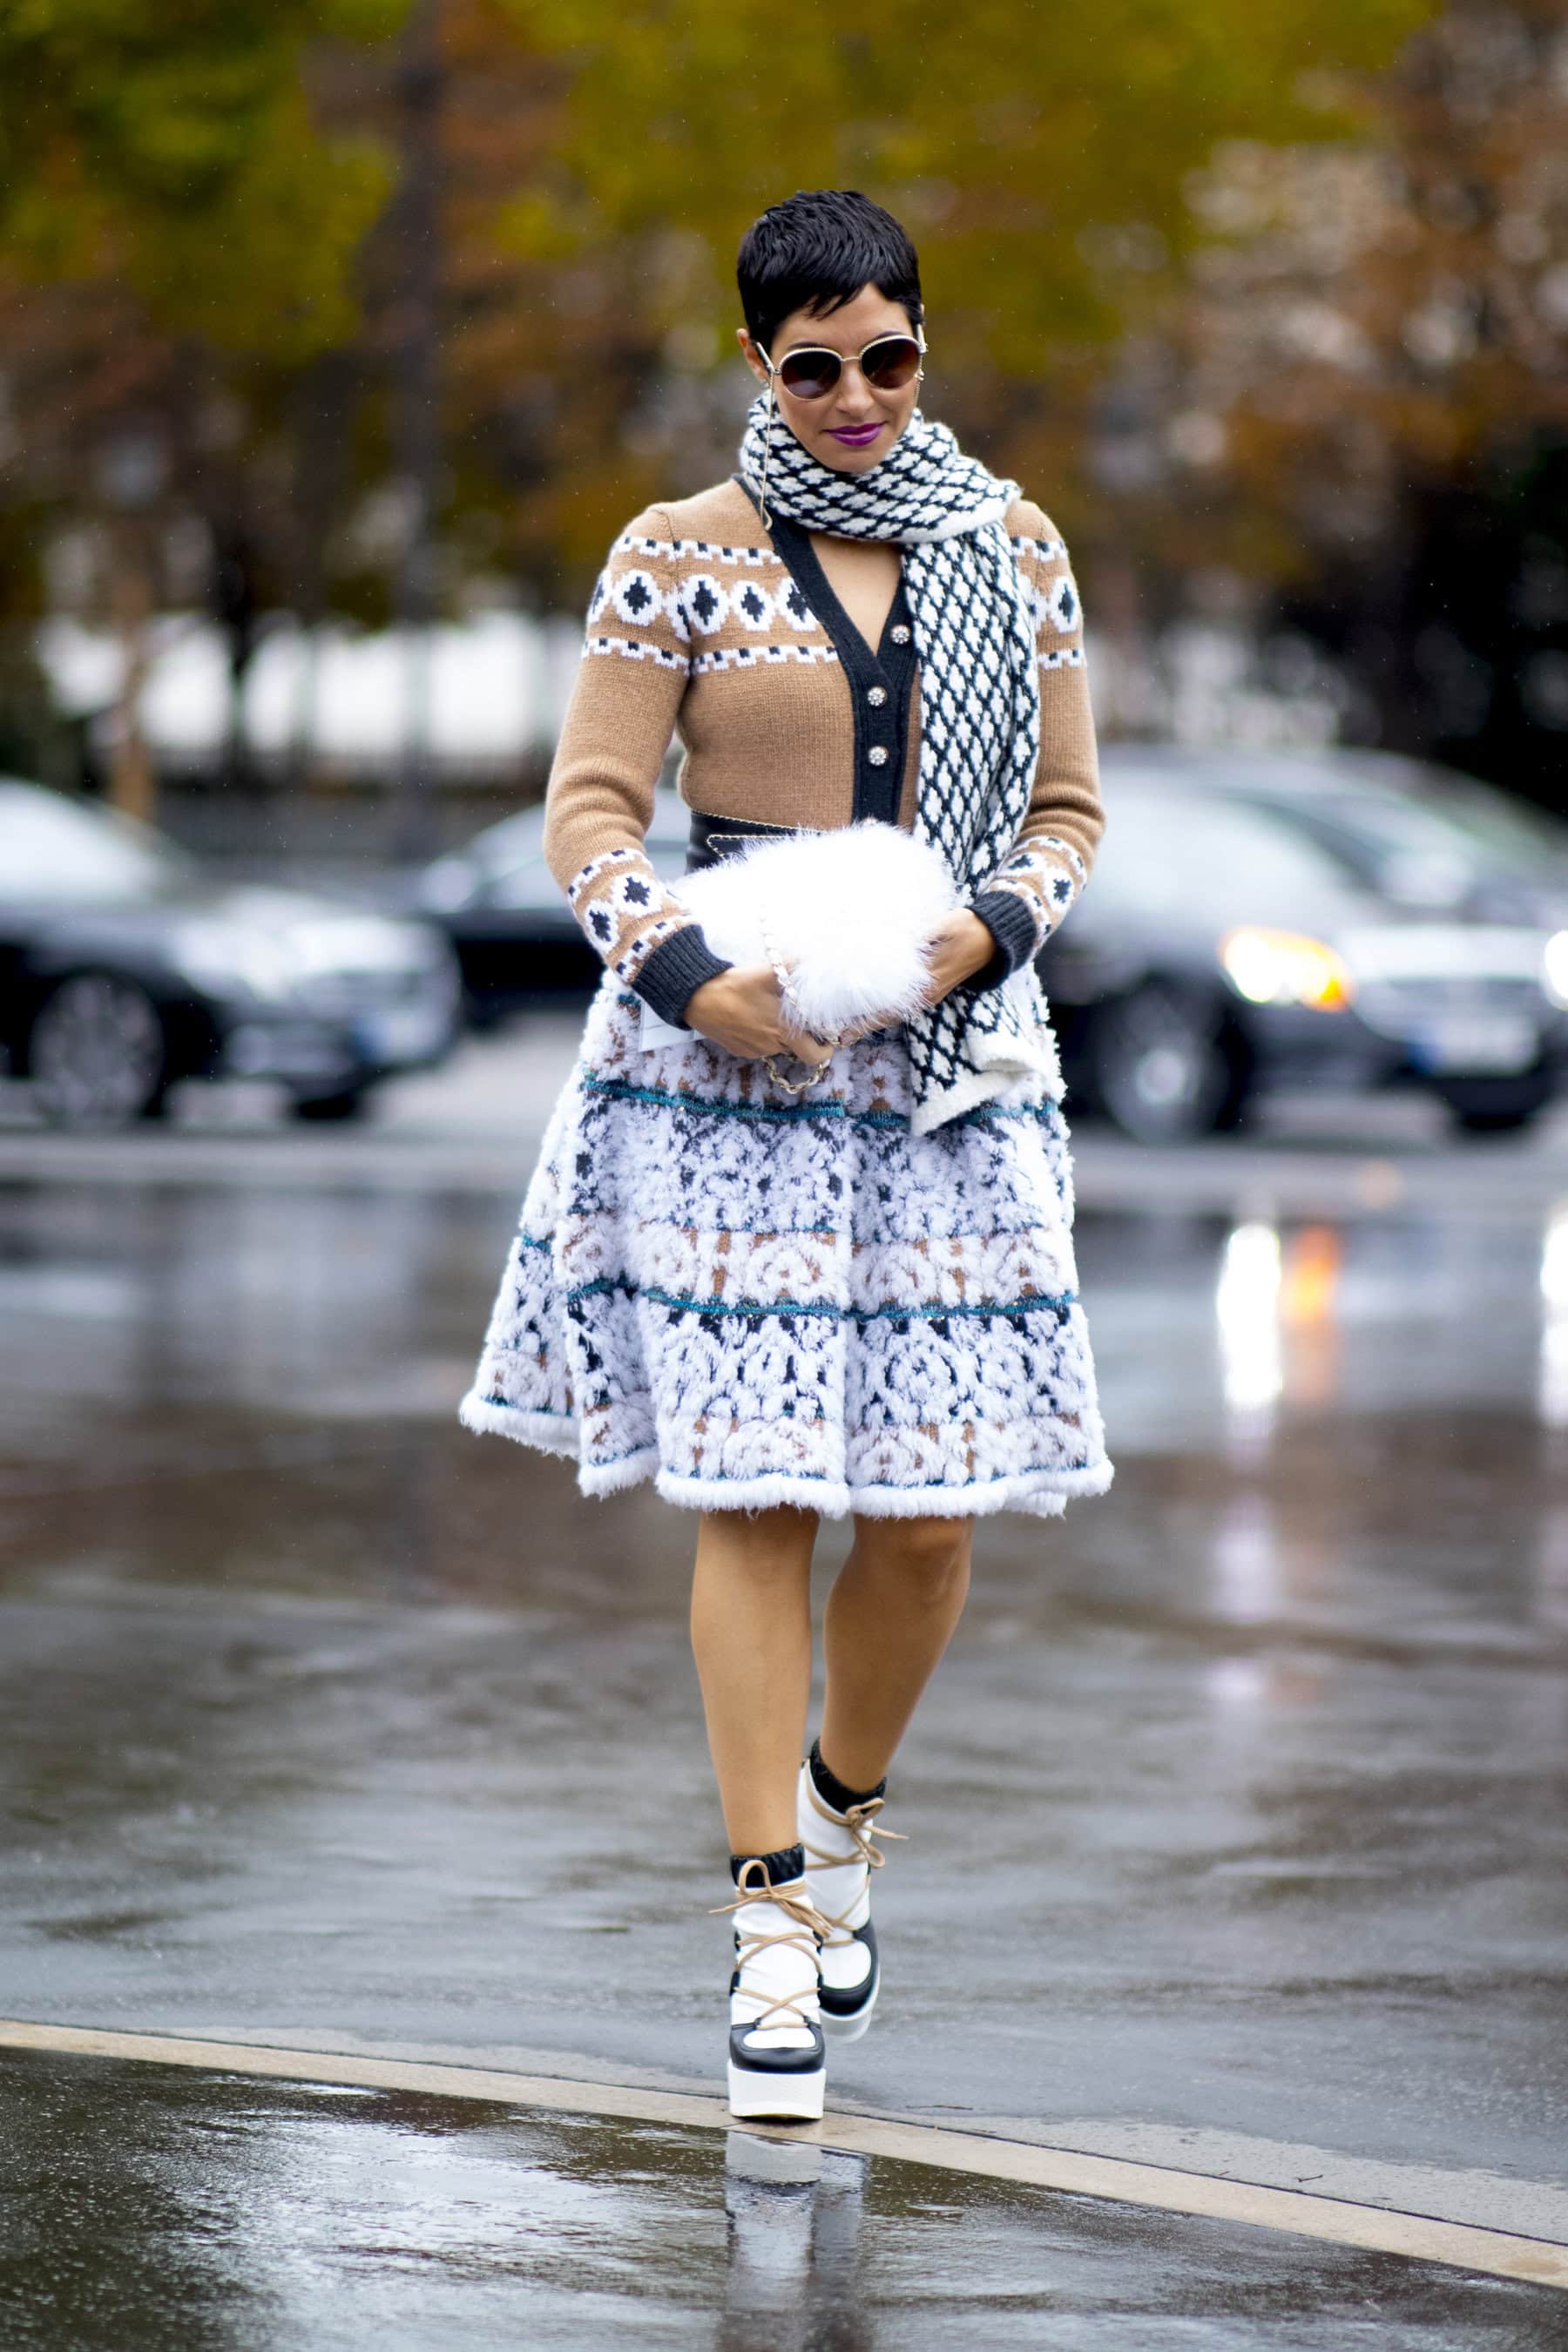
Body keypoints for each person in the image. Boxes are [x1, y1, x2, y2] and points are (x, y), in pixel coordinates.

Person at [462, 189, 1112, 2123]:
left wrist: (989, 932)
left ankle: (841, 1821)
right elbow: (590, 812)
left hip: (953, 1063)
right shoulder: (675, 550)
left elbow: (1069, 812)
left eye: (888, 356)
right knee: (754, 1495)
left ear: (925, 343)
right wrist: (687, 979)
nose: (856, 395)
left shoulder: (1015, 544)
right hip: (725, 1071)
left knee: (928, 1517)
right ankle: (764, 1923)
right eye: (815, 365)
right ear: (757, 359)